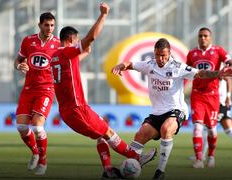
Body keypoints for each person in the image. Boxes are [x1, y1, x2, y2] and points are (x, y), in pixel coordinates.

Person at [50, 2, 156, 179]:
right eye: (76, 41)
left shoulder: (55, 57)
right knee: (108, 132)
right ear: (70, 40)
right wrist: (103, 15)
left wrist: (83, 54)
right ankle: (137, 157)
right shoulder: (68, 52)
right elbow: (91, 38)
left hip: (67, 111)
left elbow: (69, 65)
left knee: (101, 137)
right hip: (78, 110)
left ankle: (108, 171)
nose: (78, 43)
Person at [111, 38, 232, 179]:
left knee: (166, 128)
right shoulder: (149, 65)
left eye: (164, 55)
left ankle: (160, 172)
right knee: (140, 135)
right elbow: (130, 64)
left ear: (169, 53)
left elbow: (200, 73)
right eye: (158, 55)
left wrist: (218, 74)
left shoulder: (178, 67)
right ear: (154, 53)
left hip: (176, 110)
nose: (161, 59)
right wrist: (121, 65)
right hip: (157, 112)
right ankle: (131, 167)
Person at [14, 12, 60, 175]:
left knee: (38, 128)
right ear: (39, 25)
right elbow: (18, 60)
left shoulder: (58, 44)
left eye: (52, 25)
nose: (49, 28)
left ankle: (43, 160)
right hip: (28, 89)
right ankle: (35, 152)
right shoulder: (28, 41)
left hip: (46, 89)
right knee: (21, 127)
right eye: (46, 25)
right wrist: (19, 66)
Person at [186, 27, 232, 168]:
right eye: (200, 36)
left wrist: (230, 69)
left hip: (213, 96)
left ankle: (211, 156)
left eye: (205, 36)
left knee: (211, 130)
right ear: (198, 37)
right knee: (197, 127)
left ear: (210, 37)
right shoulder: (192, 54)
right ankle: (198, 160)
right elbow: (186, 72)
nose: (203, 38)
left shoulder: (218, 51)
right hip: (197, 94)